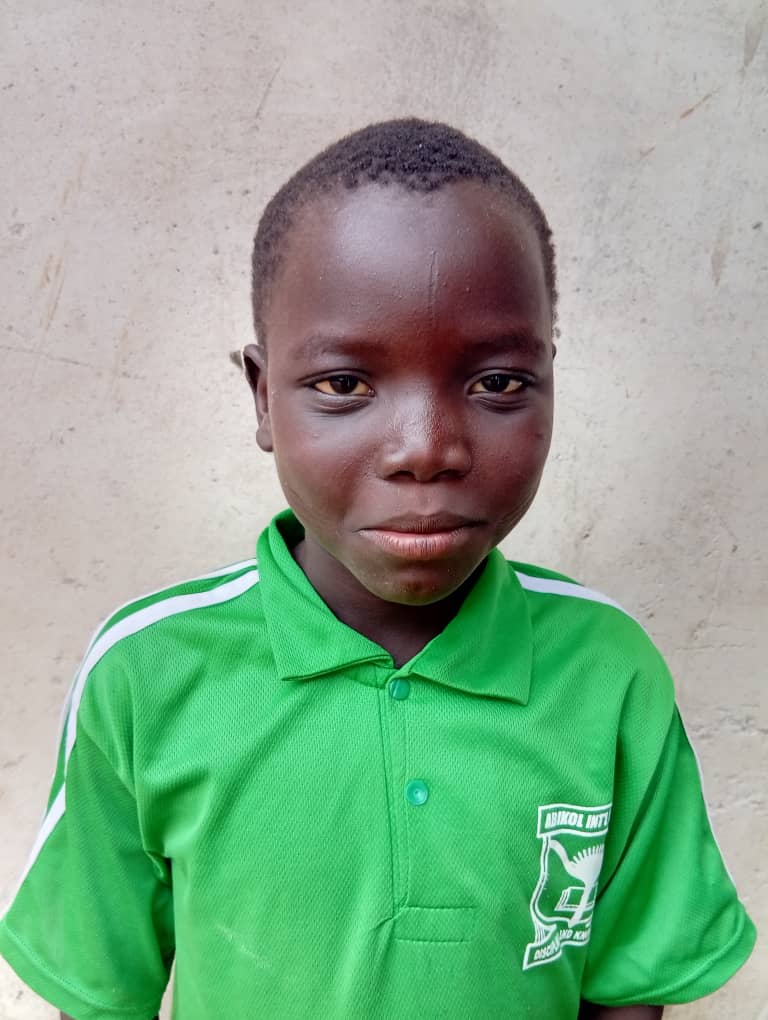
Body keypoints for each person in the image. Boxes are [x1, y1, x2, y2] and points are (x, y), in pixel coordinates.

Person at [0, 119, 756, 1020]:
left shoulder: (608, 672)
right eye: (344, 384)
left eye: (497, 383)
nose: (425, 449)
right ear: (262, 396)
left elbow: (629, 993)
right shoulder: (147, 674)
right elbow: (100, 994)